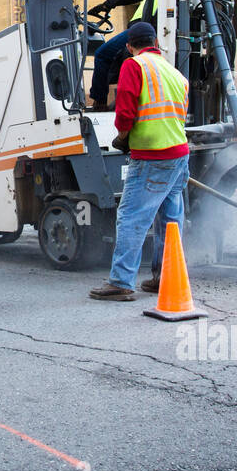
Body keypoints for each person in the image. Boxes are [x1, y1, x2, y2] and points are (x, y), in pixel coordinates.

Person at [90, 21, 189, 301]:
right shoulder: (175, 73)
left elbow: (126, 108)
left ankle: (121, 282)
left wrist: (122, 135)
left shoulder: (134, 65)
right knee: (170, 221)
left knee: (132, 217)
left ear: (130, 46)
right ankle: (165, 277)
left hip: (151, 155)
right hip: (179, 155)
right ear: (155, 42)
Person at [87, 0, 160, 109]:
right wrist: (108, 4)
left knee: (102, 55)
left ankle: (100, 102)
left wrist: (108, 4)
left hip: (141, 31)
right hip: (149, 31)